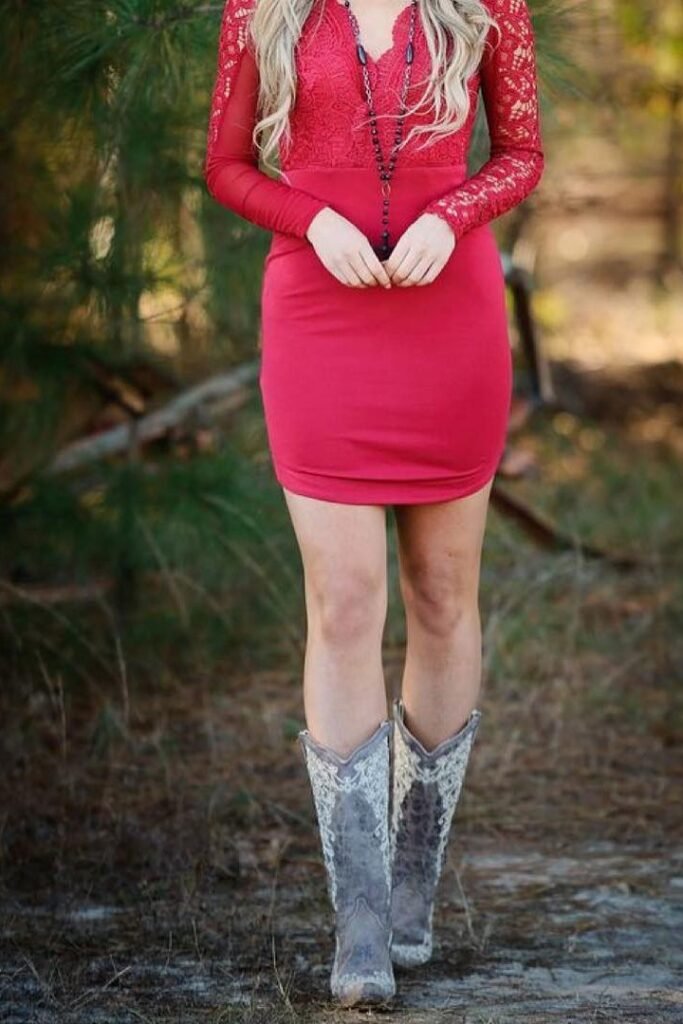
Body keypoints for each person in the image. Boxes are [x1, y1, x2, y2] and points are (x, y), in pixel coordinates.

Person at [204, 0, 544, 1006]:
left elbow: (520, 151)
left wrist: (452, 213)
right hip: (317, 311)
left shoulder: (487, 7)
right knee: (344, 602)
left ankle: (408, 894)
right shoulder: (260, 10)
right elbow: (226, 166)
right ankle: (355, 922)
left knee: (441, 596)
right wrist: (308, 215)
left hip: (450, 314)